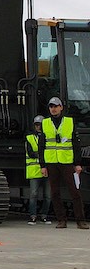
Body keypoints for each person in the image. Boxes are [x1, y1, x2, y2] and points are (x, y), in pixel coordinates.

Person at [40, 97, 88, 229]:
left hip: (67, 162)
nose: (53, 109)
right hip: (51, 162)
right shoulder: (45, 123)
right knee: (55, 193)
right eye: (51, 106)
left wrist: (77, 163)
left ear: (61, 107)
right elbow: (41, 146)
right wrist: (43, 165)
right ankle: (61, 220)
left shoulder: (69, 122)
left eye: (56, 106)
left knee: (74, 192)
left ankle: (80, 220)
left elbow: (75, 144)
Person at [26, 115, 51, 224]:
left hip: (47, 170)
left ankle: (44, 215)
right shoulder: (29, 138)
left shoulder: (48, 137)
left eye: (40, 125)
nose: (38, 127)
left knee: (48, 195)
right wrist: (42, 155)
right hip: (34, 170)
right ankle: (33, 216)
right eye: (36, 125)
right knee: (33, 194)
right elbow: (31, 153)